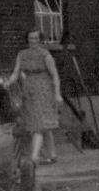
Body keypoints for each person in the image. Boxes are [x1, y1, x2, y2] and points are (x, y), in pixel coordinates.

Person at [4, 29, 63, 165]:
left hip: (43, 90)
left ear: (40, 40)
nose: (33, 41)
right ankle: (53, 155)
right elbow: (16, 72)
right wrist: (9, 82)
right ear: (27, 40)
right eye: (31, 39)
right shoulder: (22, 54)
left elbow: (54, 75)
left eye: (36, 39)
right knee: (42, 124)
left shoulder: (45, 55)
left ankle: (34, 157)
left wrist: (58, 94)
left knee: (38, 125)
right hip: (28, 91)